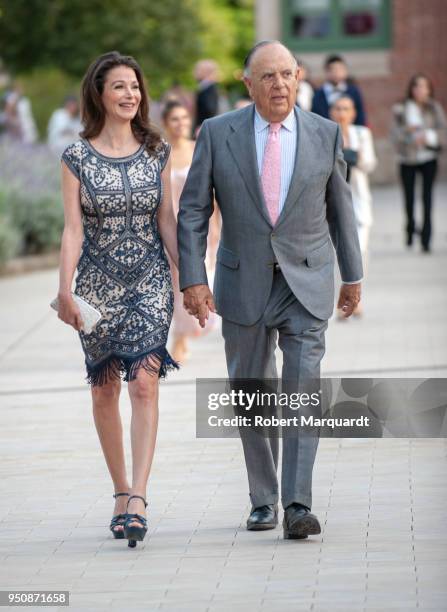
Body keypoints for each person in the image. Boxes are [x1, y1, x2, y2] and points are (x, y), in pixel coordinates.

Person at [177, 40, 362, 539]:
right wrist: (193, 278)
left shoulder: (325, 132)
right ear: (247, 82)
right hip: (243, 281)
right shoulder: (218, 133)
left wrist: (353, 274)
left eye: (286, 74)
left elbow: (340, 209)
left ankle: (298, 503)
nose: (279, 85)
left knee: (302, 390)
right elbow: (193, 210)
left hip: (308, 278)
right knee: (252, 390)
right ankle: (263, 498)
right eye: (267, 77)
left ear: (299, 76)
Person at [56, 51, 179, 548]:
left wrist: (190, 279)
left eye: (135, 87)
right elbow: (72, 229)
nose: (130, 95)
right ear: (99, 95)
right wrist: (64, 291)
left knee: (145, 385)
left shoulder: (158, 150)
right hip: (97, 287)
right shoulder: (75, 157)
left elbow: (167, 219)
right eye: (119, 87)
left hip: (149, 279)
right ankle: (119, 490)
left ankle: (140, 498)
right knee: (104, 388)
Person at [161, 100, 220, 362]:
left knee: (201, 277)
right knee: (176, 283)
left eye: (184, 117)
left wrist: (217, 224)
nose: (181, 123)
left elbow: (214, 192)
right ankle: (180, 336)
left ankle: (191, 328)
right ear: (165, 123)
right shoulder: (159, 154)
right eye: (175, 118)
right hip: (169, 227)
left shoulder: (200, 150)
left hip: (200, 227)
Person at [330, 95, 376, 317]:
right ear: (332, 112)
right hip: (334, 201)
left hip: (358, 198)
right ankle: (342, 302)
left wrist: (354, 156)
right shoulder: (327, 133)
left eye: (346, 108)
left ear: (353, 113)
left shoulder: (362, 134)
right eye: (338, 108)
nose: (341, 113)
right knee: (337, 250)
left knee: (361, 250)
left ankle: (357, 298)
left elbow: (369, 163)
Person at [391, 74, 446, 252]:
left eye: (424, 87)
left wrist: (427, 137)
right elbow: (394, 134)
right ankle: (410, 226)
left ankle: (426, 238)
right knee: (409, 198)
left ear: (429, 90)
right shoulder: (401, 108)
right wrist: (408, 136)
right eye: (416, 86)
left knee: (427, 197)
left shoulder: (434, 108)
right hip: (407, 158)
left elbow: (443, 131)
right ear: (411, 89)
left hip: (428, 157)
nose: (420, 90)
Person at [311, 54, 366, 126]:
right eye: (333, 69)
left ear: (345, 71)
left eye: (340, 69)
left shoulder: (354, 91)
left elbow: (360, 114)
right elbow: (315, 118)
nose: (336, 72)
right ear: (326, 72)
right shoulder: (318, 94)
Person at [193, 59, 220, 134]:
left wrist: (203, 126)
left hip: (204, 130)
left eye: (197, 69)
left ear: (206, 72)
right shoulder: (204, 88)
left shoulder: (210, 89)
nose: (194, 72)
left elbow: (210, 110)